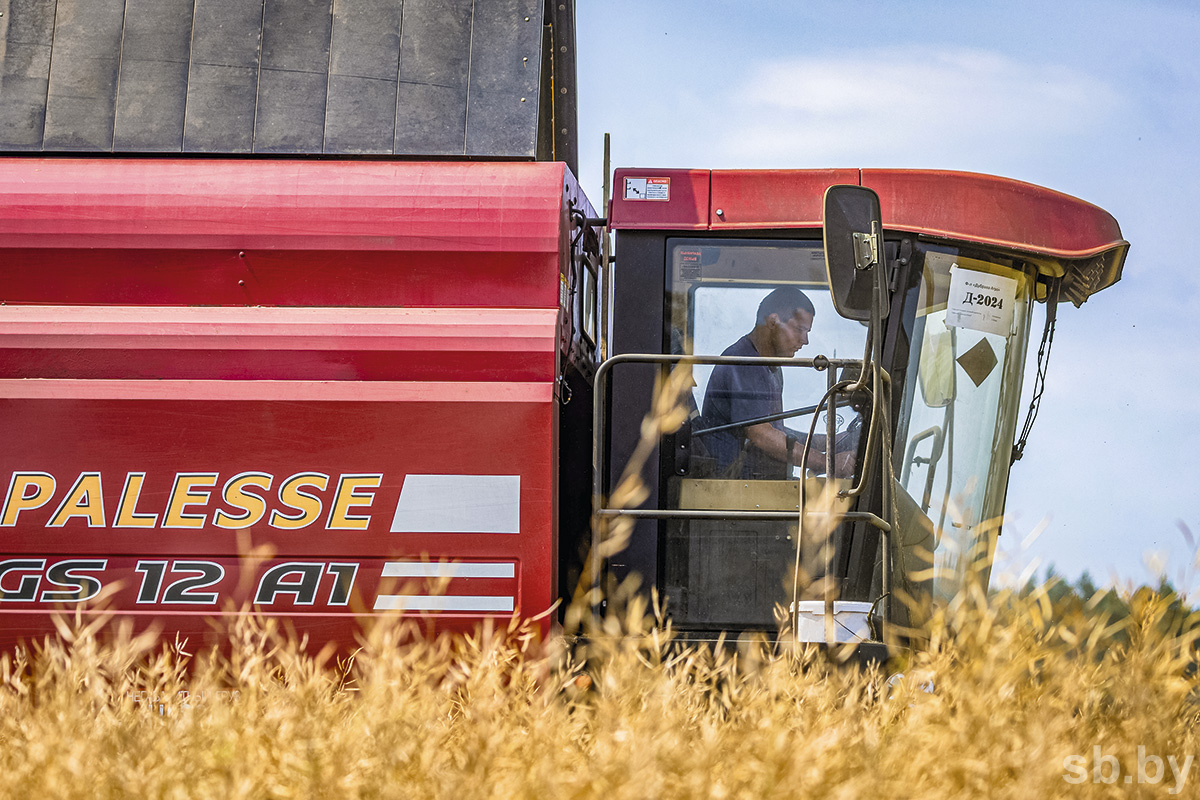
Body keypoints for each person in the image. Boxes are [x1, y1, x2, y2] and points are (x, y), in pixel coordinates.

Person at [700, 287, 856, 479]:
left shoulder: (770, 367)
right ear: (773, 320)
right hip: (731, 484)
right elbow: (762, 435)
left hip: (754, 479)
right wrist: (828, 463)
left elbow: (775, 431)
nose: (805, 340)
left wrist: (824, 442)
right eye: (800, 329)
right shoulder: (743, 362)